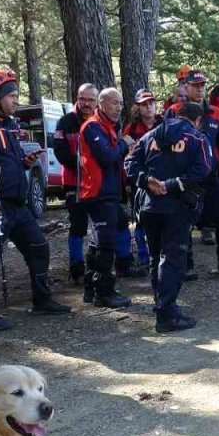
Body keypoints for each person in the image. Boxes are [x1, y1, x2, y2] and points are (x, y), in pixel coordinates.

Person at [0, 69, 71, 328]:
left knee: (39, 247)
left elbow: (3, 163)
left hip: (18, 206)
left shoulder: (9, 124)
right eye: (11, 95)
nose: (15, 100)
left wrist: (24, 161)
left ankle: (42, 299)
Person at [125, 102, 212, 332]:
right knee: (173, 259)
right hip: (176, 207)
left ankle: (162, 306)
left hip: (149, 207)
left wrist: (147, 181)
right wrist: (172, 185)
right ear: (197, 119)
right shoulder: (198, 138)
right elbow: (203, 169)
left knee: (156, 258)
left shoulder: (149, 136)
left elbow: (129, 162)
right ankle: (166, 314)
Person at [168, 70, 219, 275]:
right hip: (185, 178)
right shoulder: (174, 112)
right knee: (183, 222)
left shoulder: (215, 112)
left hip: (210, 175)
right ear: (186, 87)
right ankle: (185, 267)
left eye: (203, 85)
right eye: (196, 85)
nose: (200, 89)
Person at [78, 87, 134, 309]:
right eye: (114, 103)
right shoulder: (93, 127)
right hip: (98, 193)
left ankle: (91, 289)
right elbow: (106, 157)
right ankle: (104, 292)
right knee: (105, 244)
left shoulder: (108, 127)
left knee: (98, 242)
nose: (119, 108)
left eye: (120, 103)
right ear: (101, 104)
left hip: (107, 192)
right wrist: (124, 144)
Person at [51, 84, 99, 284]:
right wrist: (83, 164)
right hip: (73, 183)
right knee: (78, 224)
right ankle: (76, 268)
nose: (86, 103)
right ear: (77, 99)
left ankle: (99, 263)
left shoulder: (101, 120)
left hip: (97, 182)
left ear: (96, 101)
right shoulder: (65, 121)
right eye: (83, 99)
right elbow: (60, 151)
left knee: (101, 222)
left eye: (90, 100)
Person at [115, 89, 159, 278]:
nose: (148, 107)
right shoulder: (130, 130)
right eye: (144, 104)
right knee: (141, 220)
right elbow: (126, 159)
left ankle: (162, 256)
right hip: (139, 182)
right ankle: (144, 258)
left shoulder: (165, 123)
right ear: (138, 107)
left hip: (163, 179)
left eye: (151, 103)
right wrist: (127, 182)